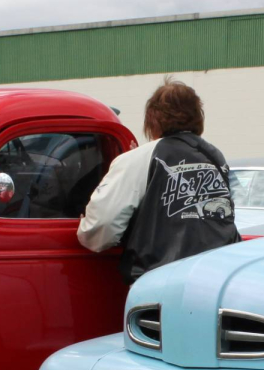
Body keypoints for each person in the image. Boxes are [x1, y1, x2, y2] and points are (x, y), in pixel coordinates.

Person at [77, 79, 240, 282]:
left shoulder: (138, 159)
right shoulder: (215, 157)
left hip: (160, 281)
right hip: (216, 277)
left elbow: (101, 226)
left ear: (152, 120)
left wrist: (86, 229)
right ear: (198, 117)